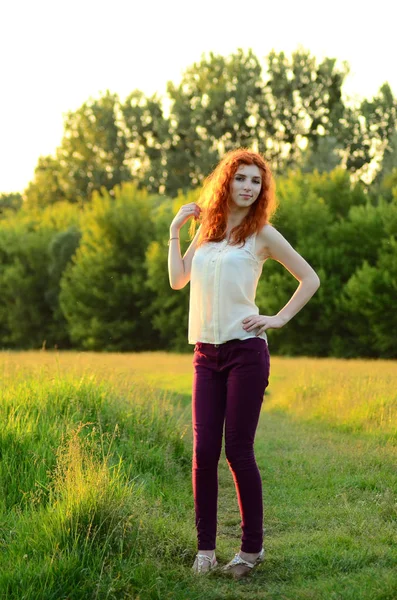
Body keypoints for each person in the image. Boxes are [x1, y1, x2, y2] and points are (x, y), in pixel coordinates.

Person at [168, 149, 320, 579]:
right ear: (227, 183)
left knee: (237, 450)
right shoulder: (208, 230)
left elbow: (310, 278)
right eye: (242, 179)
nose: (249, 188)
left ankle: (252, 549)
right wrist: (177, 230)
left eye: (256, 182)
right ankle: (205, 551)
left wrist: (278, 318)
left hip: (245, 352)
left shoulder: (263, 235)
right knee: (203, 453)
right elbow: (179, 279)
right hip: (205, 354)